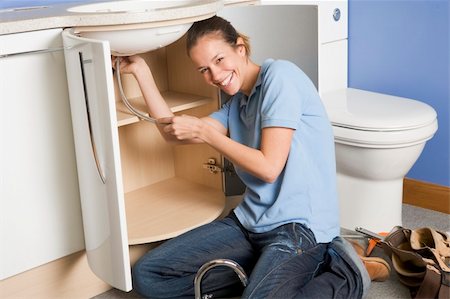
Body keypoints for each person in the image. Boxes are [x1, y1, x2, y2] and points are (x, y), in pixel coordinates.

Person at [114, 15, 378, 298]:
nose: (214, 76)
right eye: (203, 69)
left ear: (240, 48)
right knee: (148, 276)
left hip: (299, 228)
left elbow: (269, 168)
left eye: (219, 60)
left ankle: (349, 272)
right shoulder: (236, 104)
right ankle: (264, 277)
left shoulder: (281, 76)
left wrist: (210, 135)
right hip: (249, 221)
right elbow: (173, 134)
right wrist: (142, 71)